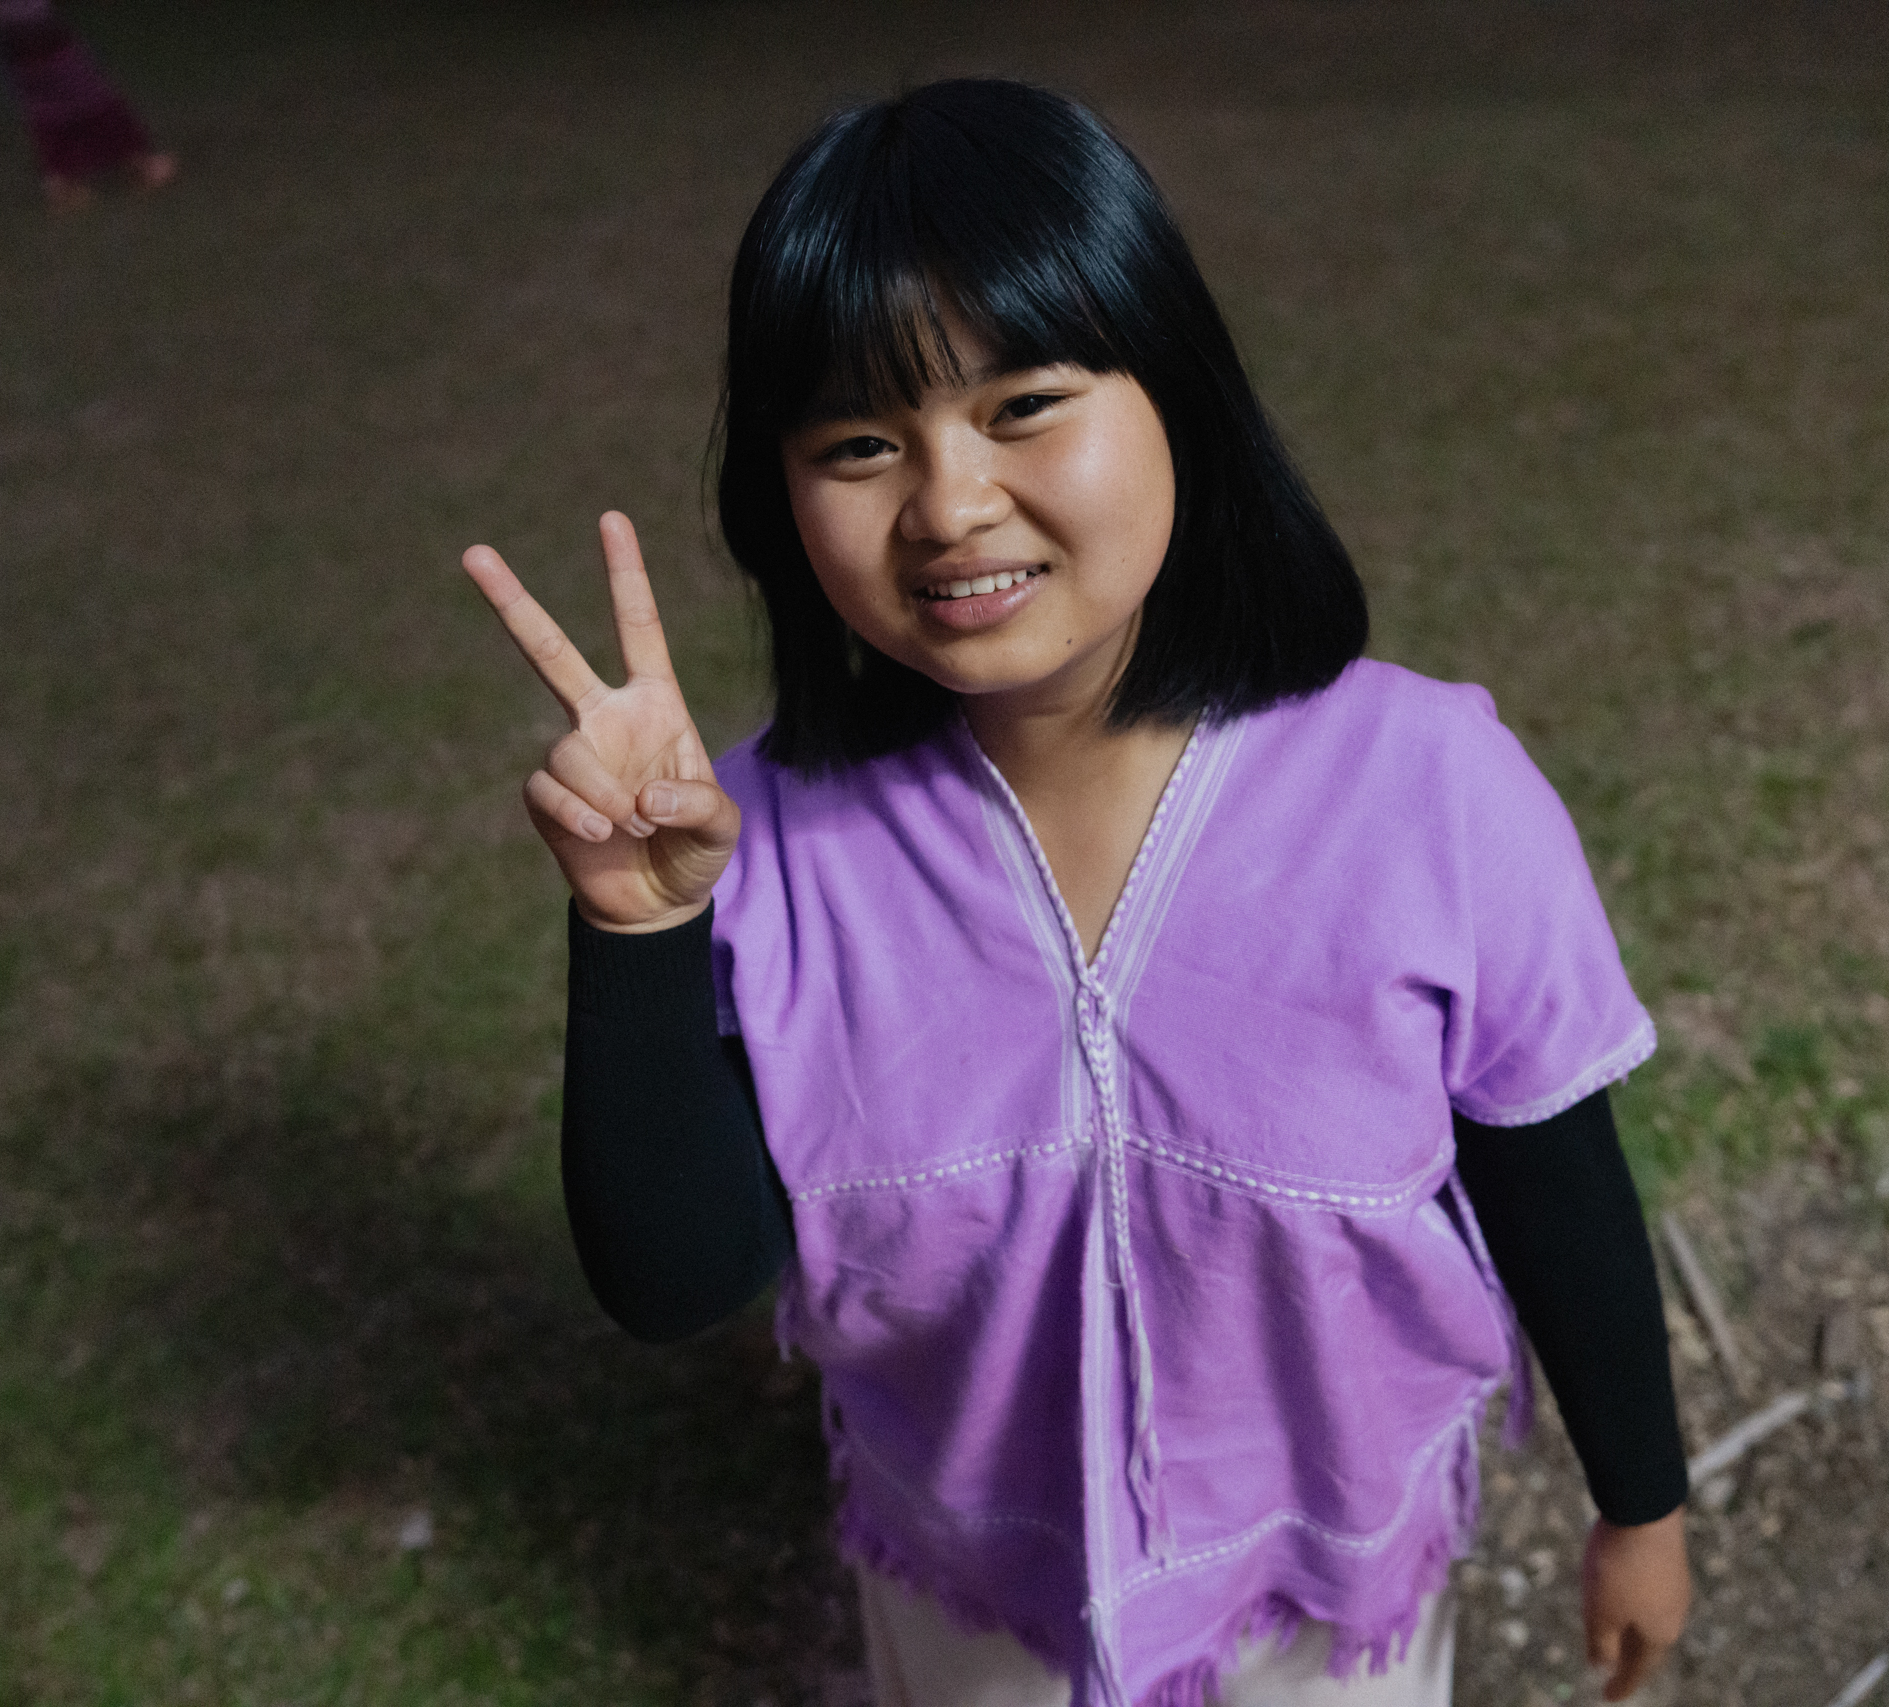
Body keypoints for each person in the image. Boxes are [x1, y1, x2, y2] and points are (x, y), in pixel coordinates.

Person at [463, 79, 1691, 1707]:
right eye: (859, 442)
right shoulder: (765, 846)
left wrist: (1641, 1503)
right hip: (976, 1594)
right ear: (781, 495)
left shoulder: (1429, 792)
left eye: (1025, 402)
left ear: (1179, 395)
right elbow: (678, 1278)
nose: (949, 503)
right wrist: (639, 928)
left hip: (1323, 1603)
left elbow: (1556, 1181)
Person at [0, 0, 175, 211]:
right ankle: (140, 162)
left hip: (10, 37)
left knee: (46, 105)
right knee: (89, 94)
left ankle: (60, 182)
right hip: (36, 30)